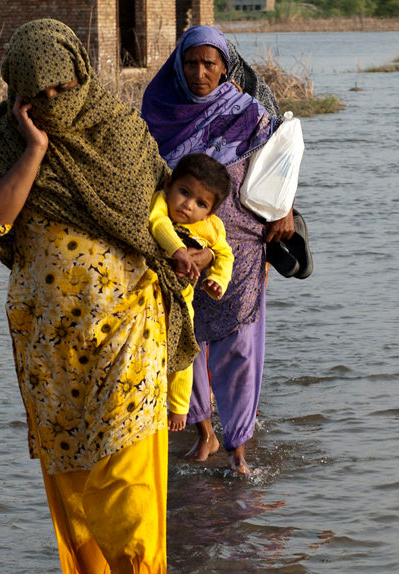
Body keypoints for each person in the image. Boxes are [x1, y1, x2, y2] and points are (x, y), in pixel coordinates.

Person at [0, 19, 203, 574]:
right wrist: (34, 149)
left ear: (81, 73)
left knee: (125, 476)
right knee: (69, 475)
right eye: (38, 93)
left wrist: (194, 257)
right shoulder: (3, 142)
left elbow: (164, 214)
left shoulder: (119, 131)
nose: (54, 100)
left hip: (127, 331)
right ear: (17, 92)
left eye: (64, 85)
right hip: (47, 346)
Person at [141, 26, 297, 476]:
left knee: (240, 347)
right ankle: (203, 431)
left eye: (210, 64)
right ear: (178, 64)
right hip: (177, 249)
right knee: (181, 340)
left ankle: (239, 447)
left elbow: (276, 173)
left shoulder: (249, 113)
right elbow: (144, 181)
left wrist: (286, 209)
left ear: (226, 69)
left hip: (241, 250)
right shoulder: (156, 111)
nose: (199, 72)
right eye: (191, 63)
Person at [147, 152, 235, 434]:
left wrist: (218, 281)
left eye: (200, 203)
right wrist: (178, 251)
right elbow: (157, 223)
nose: (188, 205)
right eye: (183, 192)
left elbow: (225, 255)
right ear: (169, 185)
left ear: (210, 212)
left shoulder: (211, 227)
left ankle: (179, 407)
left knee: (183, 354)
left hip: (183, 301)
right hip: (149, 294)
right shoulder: (159, 203)